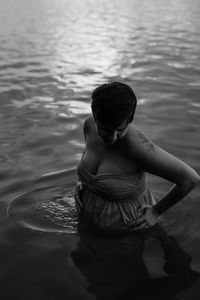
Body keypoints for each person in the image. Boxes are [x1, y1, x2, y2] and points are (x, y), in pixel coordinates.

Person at [74, 81, 200, 234]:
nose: (113, 137)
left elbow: (190, 180)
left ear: (130, 121)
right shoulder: (89, 125)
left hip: (126, 229)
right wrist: (83, 183)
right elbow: (90, 159)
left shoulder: (138, 147)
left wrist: (155, 212)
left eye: (120, 129)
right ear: (95, 117)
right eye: (106, 129)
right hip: (88, 219)